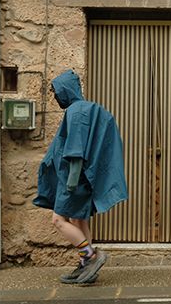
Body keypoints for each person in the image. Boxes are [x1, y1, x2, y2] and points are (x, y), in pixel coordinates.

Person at [34, 69, 128, 284]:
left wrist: (70, 184)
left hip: (74, 181)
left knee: (58, 220)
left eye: (57, 92)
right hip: (84, 180)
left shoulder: (76, 111)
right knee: (79, 219)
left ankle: (90, 256)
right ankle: (86, 267)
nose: (56, 97)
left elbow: (76, 151)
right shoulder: (88, 109)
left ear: (66, 89)